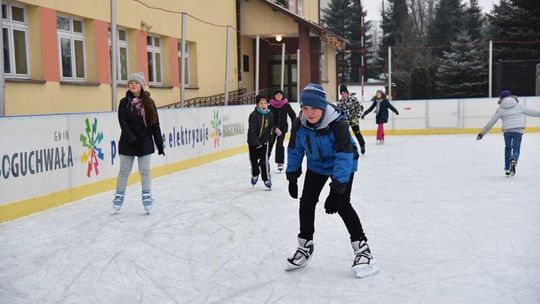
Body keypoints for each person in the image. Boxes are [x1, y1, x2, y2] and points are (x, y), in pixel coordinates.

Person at [285, 83, 379, 278]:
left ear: (323, 107)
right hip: (316, 165)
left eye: (314, 108)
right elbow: (295, 149)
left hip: (343, 163)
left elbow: (344, 155)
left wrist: (336, 189)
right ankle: (305, 245)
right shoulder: (299, 124)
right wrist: (292, 175)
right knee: (307, 202)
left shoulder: (338, 123)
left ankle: (362, 249)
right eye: (305, 108)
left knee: (343, 204)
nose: (309, 113)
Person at [112, 72, 165, 214]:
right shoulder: (124, 103)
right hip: (128, 143)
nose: (133, 85)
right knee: (124, 172)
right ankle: (119, 197)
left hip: (145, 142)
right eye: (130, 83)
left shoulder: (149, 102)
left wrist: (159, 143)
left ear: (141, 85)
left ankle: (147, 197)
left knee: (145, 172)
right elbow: (123, 123)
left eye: (136, 83)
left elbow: (155, 124)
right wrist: (133, 140)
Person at [476, 90, 540, 176]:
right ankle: (513, 160)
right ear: (511, 96)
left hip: (507, 131)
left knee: (508, 148)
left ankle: (507, 168)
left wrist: (482, 133)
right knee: (516, 149)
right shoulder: (519, 106)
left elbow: (491, 122)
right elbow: (531, 112)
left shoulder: (500, 109)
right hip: (517, 130)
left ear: (501, 98)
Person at [247, 95, 274, 189]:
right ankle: (255, 174)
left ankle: (266, 178)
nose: (263, 105)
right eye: (261, 103)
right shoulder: (253, 115)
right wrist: (256, 143)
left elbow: (271, 127)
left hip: (264, 141)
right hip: (253, 143)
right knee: (253, 161)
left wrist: (270, 138)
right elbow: (252, 131)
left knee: (264, 161)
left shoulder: (269, 114)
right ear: (257, 104)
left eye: (265, 103)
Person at [268, 89, 297, 171]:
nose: (278, 96)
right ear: (274, 96)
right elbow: (267, 119)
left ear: (282, 96)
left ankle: (280, 163)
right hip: (272, 129)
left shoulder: (286, 105)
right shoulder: (270, 106)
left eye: (280, 95)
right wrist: (274, 128)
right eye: (277, 95)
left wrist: (294, 126)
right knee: (270, 144)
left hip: (283, 129)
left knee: (280, 145)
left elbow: (293, 115)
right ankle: (265, 160)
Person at [337, 85, 366, 154]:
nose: (343, 95)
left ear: (347, 93)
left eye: (345, 93)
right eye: (342, 94)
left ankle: (362, 144)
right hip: (345, 121)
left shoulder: (353, 99)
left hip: (353, 120)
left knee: (357, 133)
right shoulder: (340, 102)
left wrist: (357, 116)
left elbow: (360, 107)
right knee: (346, 135)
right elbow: (339, 112)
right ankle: (349, 148)